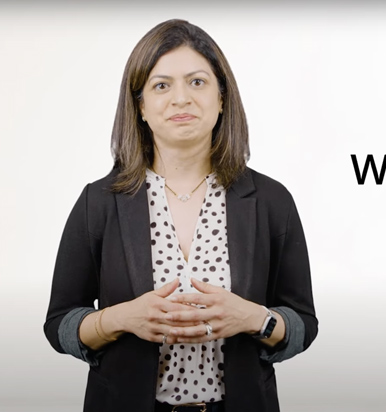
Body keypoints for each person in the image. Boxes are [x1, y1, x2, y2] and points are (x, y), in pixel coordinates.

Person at [43, 19, 318, 412]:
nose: (181, 99)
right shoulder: (99, 202)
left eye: (197, 82)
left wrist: (255, 318)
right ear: (140, 106)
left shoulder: (271, 201)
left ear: (222, 98)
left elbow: (304, 326)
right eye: (161, 85)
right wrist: (120, 319)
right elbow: (59, 326)